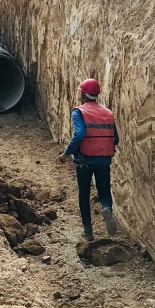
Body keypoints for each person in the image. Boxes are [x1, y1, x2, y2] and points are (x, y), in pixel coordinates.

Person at [59, 78, 119, 240]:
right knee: (105, 192)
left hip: (85, 161)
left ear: (83, 95)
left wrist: (66, 154)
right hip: (104, 161)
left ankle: (88, 231)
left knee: (84, 194)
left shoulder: (79, 112)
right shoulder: (108, 113)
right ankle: (106, 208)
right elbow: (116, 139)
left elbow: (79, 135)